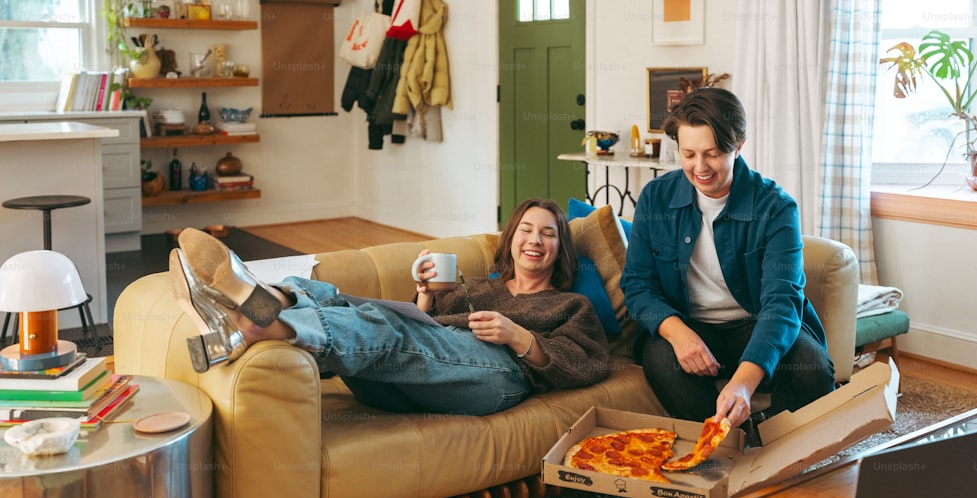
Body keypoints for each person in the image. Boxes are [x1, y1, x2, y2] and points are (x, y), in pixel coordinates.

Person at [169, 198, 611, 416]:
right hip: (403, 378)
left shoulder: (569, 304)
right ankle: (253, 313)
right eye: (526, 230)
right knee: (331, 295)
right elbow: (427, 328)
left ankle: (255, 317)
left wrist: (519, 337)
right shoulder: (478, 286)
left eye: (548, 234)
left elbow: (586, 365)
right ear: (510, 239)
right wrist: (423, 296)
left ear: (561, 248)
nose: (535, 240)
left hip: (496, 380)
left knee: (384, 328)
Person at [620, 88, 835, 436]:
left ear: (739, 146)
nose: (700, 168)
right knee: (660, 358)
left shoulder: (776, 208)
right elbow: (637, 285)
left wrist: (744, 384)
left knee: (812, 368)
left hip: (755, 322)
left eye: (713, 154)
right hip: (690, 325)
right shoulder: (656, 198)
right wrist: (677, 334)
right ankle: (730, 442)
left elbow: (781, 305)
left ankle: (779, 450)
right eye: (688, 154)